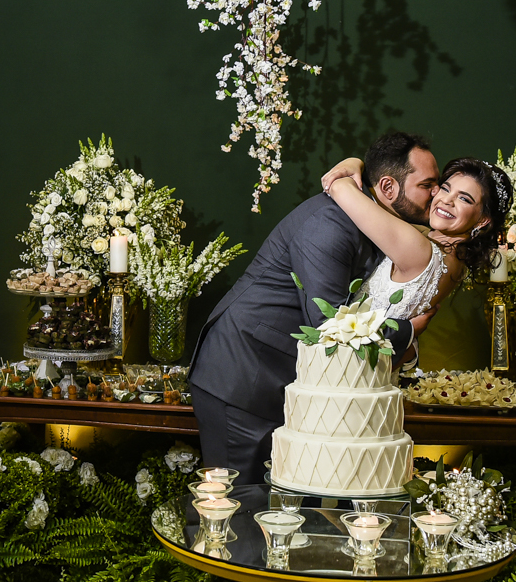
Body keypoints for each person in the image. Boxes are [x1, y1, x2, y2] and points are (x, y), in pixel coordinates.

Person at [188, 132, 443, 479]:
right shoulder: (331, 222)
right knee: (233, 507)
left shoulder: (373, 220)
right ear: (387, 188)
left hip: (282, 380)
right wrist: (408, 332)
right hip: (243, 376)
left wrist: (353, 162)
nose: (436, 195)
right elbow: (328, 318)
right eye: (427, 184)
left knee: (269, 512)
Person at [321, 154, 514, 335]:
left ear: (482, 221)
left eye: (464, 198)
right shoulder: (455, 256)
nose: (446, 200)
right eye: (445, 188)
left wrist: (351, 164)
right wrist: (358, 163)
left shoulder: (420, 251)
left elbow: (339, 187)